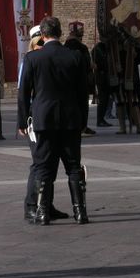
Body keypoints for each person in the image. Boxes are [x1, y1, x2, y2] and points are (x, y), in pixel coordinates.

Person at [18, 17, 90, 225]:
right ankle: (80, 212)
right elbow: (82, 92)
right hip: (70, 119)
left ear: (43, 34)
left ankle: (42, 212)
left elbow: (24, 93)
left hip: (44, 119)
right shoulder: (75, 56)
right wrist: (83, 121)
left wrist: (22, 121)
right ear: (60, 33)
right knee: (74, 167)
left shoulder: (33, 58)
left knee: (43, 167)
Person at [21, 25, 70, 222]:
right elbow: (23, 93)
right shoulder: (31, 61)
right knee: (40, 165)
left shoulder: (42, 60)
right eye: (39, 43)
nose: (42, 46)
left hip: (48, 118)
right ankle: (32, 206)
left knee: (50, 164)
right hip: (36, 119)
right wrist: (23, 120)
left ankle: (46, 204)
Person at [64, 21, 96, 137]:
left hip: (68, 81)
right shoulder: (82, 48)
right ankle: (82, 127)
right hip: (81, 81)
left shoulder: (64, 47)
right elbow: (87, 64)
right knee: (82, 105)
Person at [91, 32, 112, 127]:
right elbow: (99, 64)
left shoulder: (106, 48)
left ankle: (102, 118)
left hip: (105, 75)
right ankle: (100, 119)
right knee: (103, 99)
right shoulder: (97, 49)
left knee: (106, 99)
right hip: (101, 76)